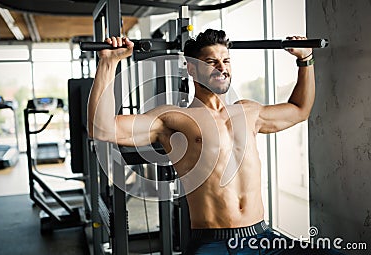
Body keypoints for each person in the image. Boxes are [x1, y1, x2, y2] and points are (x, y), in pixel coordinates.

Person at [88, 29, 343, 254]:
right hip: (212, 244)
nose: (222, 67)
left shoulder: (249, 112)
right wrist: (108, 65)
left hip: (262, 238)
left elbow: (299, 109)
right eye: (211, 61)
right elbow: (101, 128)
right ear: (191, 68)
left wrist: (305, 60)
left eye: (226, 60)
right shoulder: (173, 120)